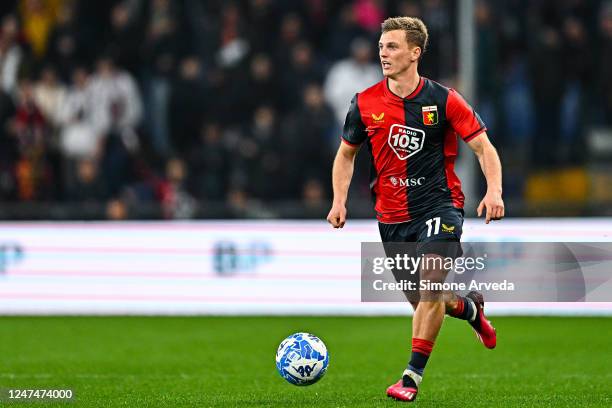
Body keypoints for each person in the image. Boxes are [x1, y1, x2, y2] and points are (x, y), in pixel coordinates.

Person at [326, 17, 504, 402]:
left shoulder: (444, 100)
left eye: (391, 47)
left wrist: (494, 191)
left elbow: (483, 147)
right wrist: (338, 200)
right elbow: (345, 155)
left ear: (414, 52)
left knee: (431, 287)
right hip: (391, 218)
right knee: (429, 300)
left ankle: (410, 378)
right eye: (381, 47)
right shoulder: (365, 102)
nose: (383, 54)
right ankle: (471, 310)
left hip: (440, 206)